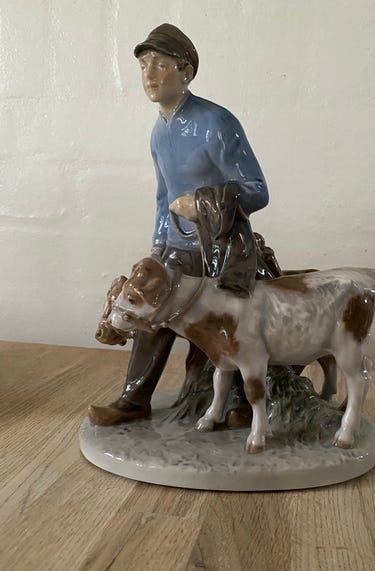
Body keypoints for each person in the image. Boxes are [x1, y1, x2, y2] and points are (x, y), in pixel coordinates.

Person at [88, 24, 269, 426]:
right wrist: (158, 247)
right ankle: (134, 399)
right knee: (149, 316)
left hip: (218, 250)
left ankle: (239, 401)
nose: (149, 75)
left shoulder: (215, 122)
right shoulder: (159, 132)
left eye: (160, 64)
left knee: (224, 326)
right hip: (176, 247)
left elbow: (257, 191)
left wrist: (201, 204)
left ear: (185, 70)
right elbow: (162, 196)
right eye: (143, 65)